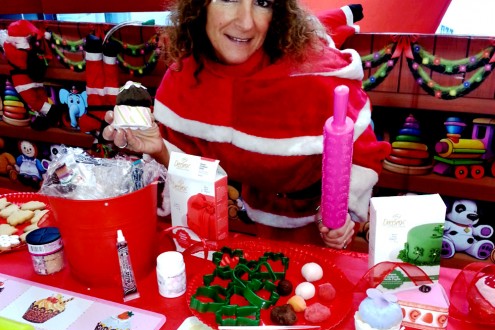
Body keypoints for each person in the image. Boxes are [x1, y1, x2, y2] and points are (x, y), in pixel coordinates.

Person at [102, 1, 391, 249]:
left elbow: (363, 154)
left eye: (262, 2)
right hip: (245, 220)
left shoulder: (315, 77)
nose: (245, 23)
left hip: (316, 222)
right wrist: (160, 150)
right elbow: (195, 172)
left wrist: (342, 214)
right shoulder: (186, 76)